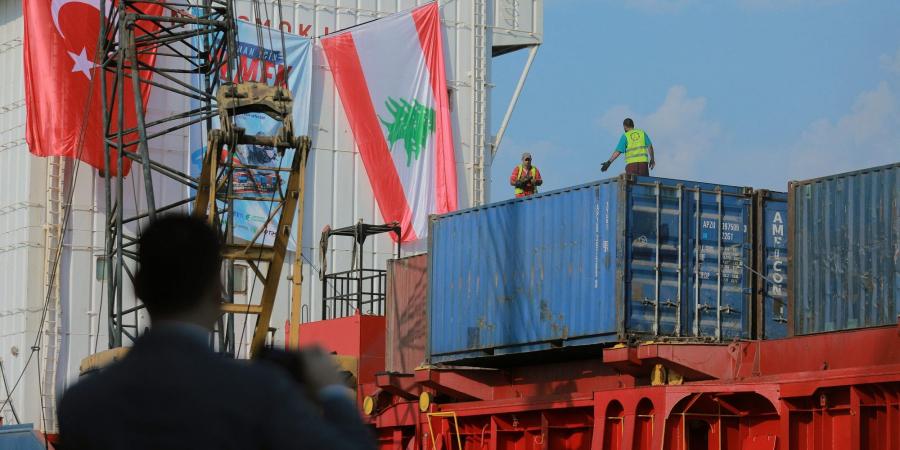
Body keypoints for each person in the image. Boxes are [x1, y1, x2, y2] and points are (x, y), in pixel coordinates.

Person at [58, 215, 375, 450]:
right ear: (217, 290)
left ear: (137, 285)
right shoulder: (259, 393)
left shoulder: (82, 404)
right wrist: (333, 390)